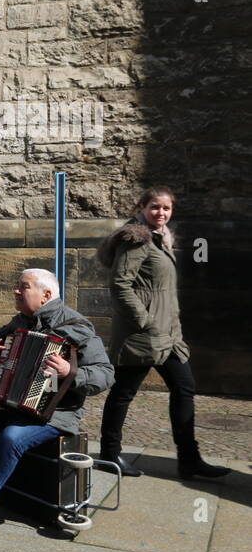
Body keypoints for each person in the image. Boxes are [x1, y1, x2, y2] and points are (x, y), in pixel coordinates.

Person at [0, 269, 114, 537]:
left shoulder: (78, 327)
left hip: (56, 412)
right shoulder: (19, 323)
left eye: (23, 287)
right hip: (11, 403)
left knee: (11, 437)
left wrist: (70, 372)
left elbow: (105, 374)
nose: (16, 291)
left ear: (46, 295)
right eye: (17, 286)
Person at [97, 187, 227, 480]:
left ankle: (189, 459)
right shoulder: (136, 239)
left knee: (184, 388)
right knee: (123, 393)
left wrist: (172, 328)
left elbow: (163, 293)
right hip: (142, 335)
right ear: (142, 207)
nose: (161, 213)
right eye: (155, 207)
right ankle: (109, 454)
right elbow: (120, 285)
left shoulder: (161, 239)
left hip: (169, 336)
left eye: (166, 208)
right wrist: (146, 321)